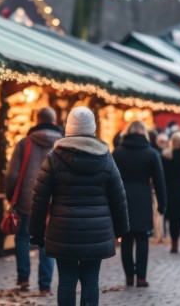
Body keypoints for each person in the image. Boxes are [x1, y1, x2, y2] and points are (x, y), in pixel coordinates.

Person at [30, 106, 129, 306]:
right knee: (91, 280)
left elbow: (39, 199)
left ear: (68, 128)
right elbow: (118, 196)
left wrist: (36, 232)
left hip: (64, 231)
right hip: (97, 231)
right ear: (92, 128)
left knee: (66, 280)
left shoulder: (54, 158)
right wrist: (121, 230)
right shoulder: (105, 157)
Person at [4, 108, 62, 295]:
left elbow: (12, 174)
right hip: (52, 201)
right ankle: (45, 286)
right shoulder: (62, 145)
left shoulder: (25, 143)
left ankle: (23, 280)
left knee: (22, 238)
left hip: (26, 200)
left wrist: (11, 196)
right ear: (54, 121)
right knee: (47, 241)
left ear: (37, 120)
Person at [112, 121, 166, 287]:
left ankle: (129, 276)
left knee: (126, 239)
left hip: (123, 198)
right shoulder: (151, 153)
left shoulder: (118, 153)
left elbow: (111, 179)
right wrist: (162, 204)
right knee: (142, 238)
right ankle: (141, 277)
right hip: (143, 197)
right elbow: (159, 181)